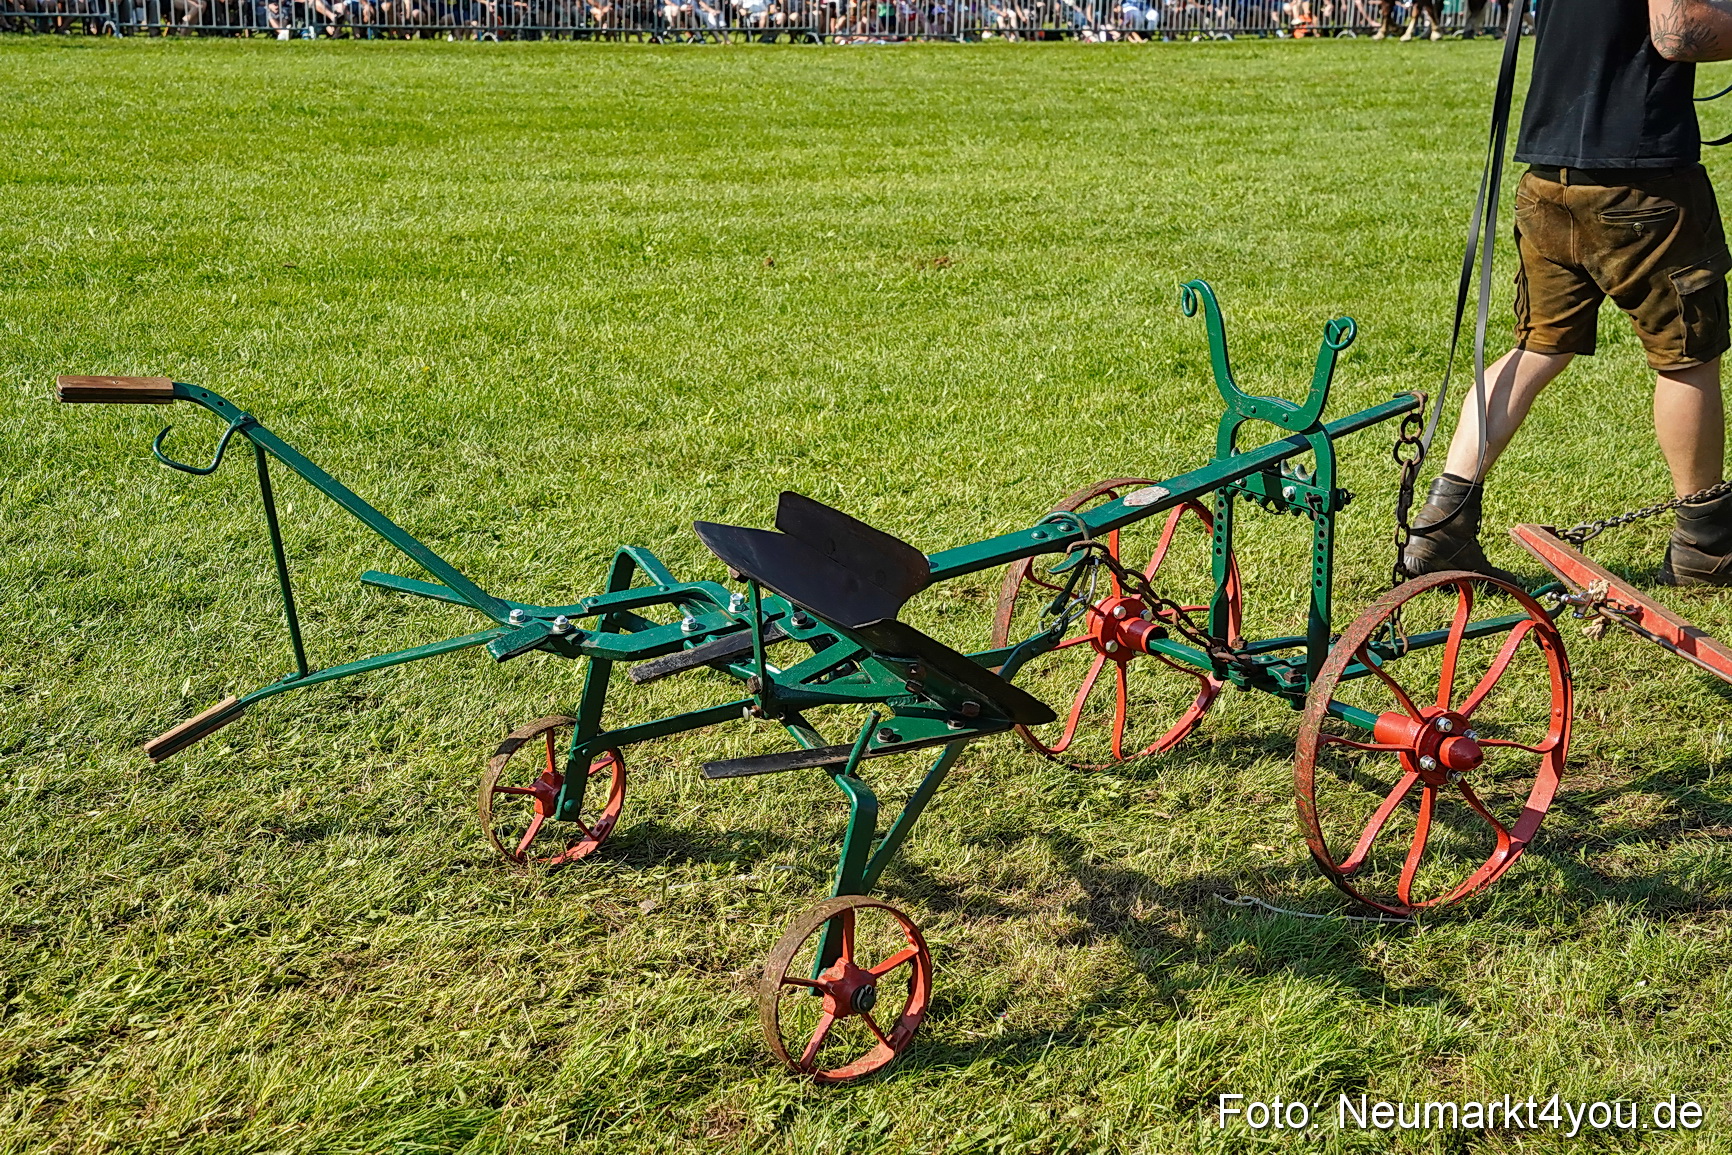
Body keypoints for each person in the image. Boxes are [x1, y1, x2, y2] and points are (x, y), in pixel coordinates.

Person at [1405, 0, 1732, 587]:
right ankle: (1704, 546)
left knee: (1537, 348)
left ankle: (1442, 524)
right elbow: (1679, 35)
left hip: (1548, 178)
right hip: (1643, 183)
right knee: (1689, 358)